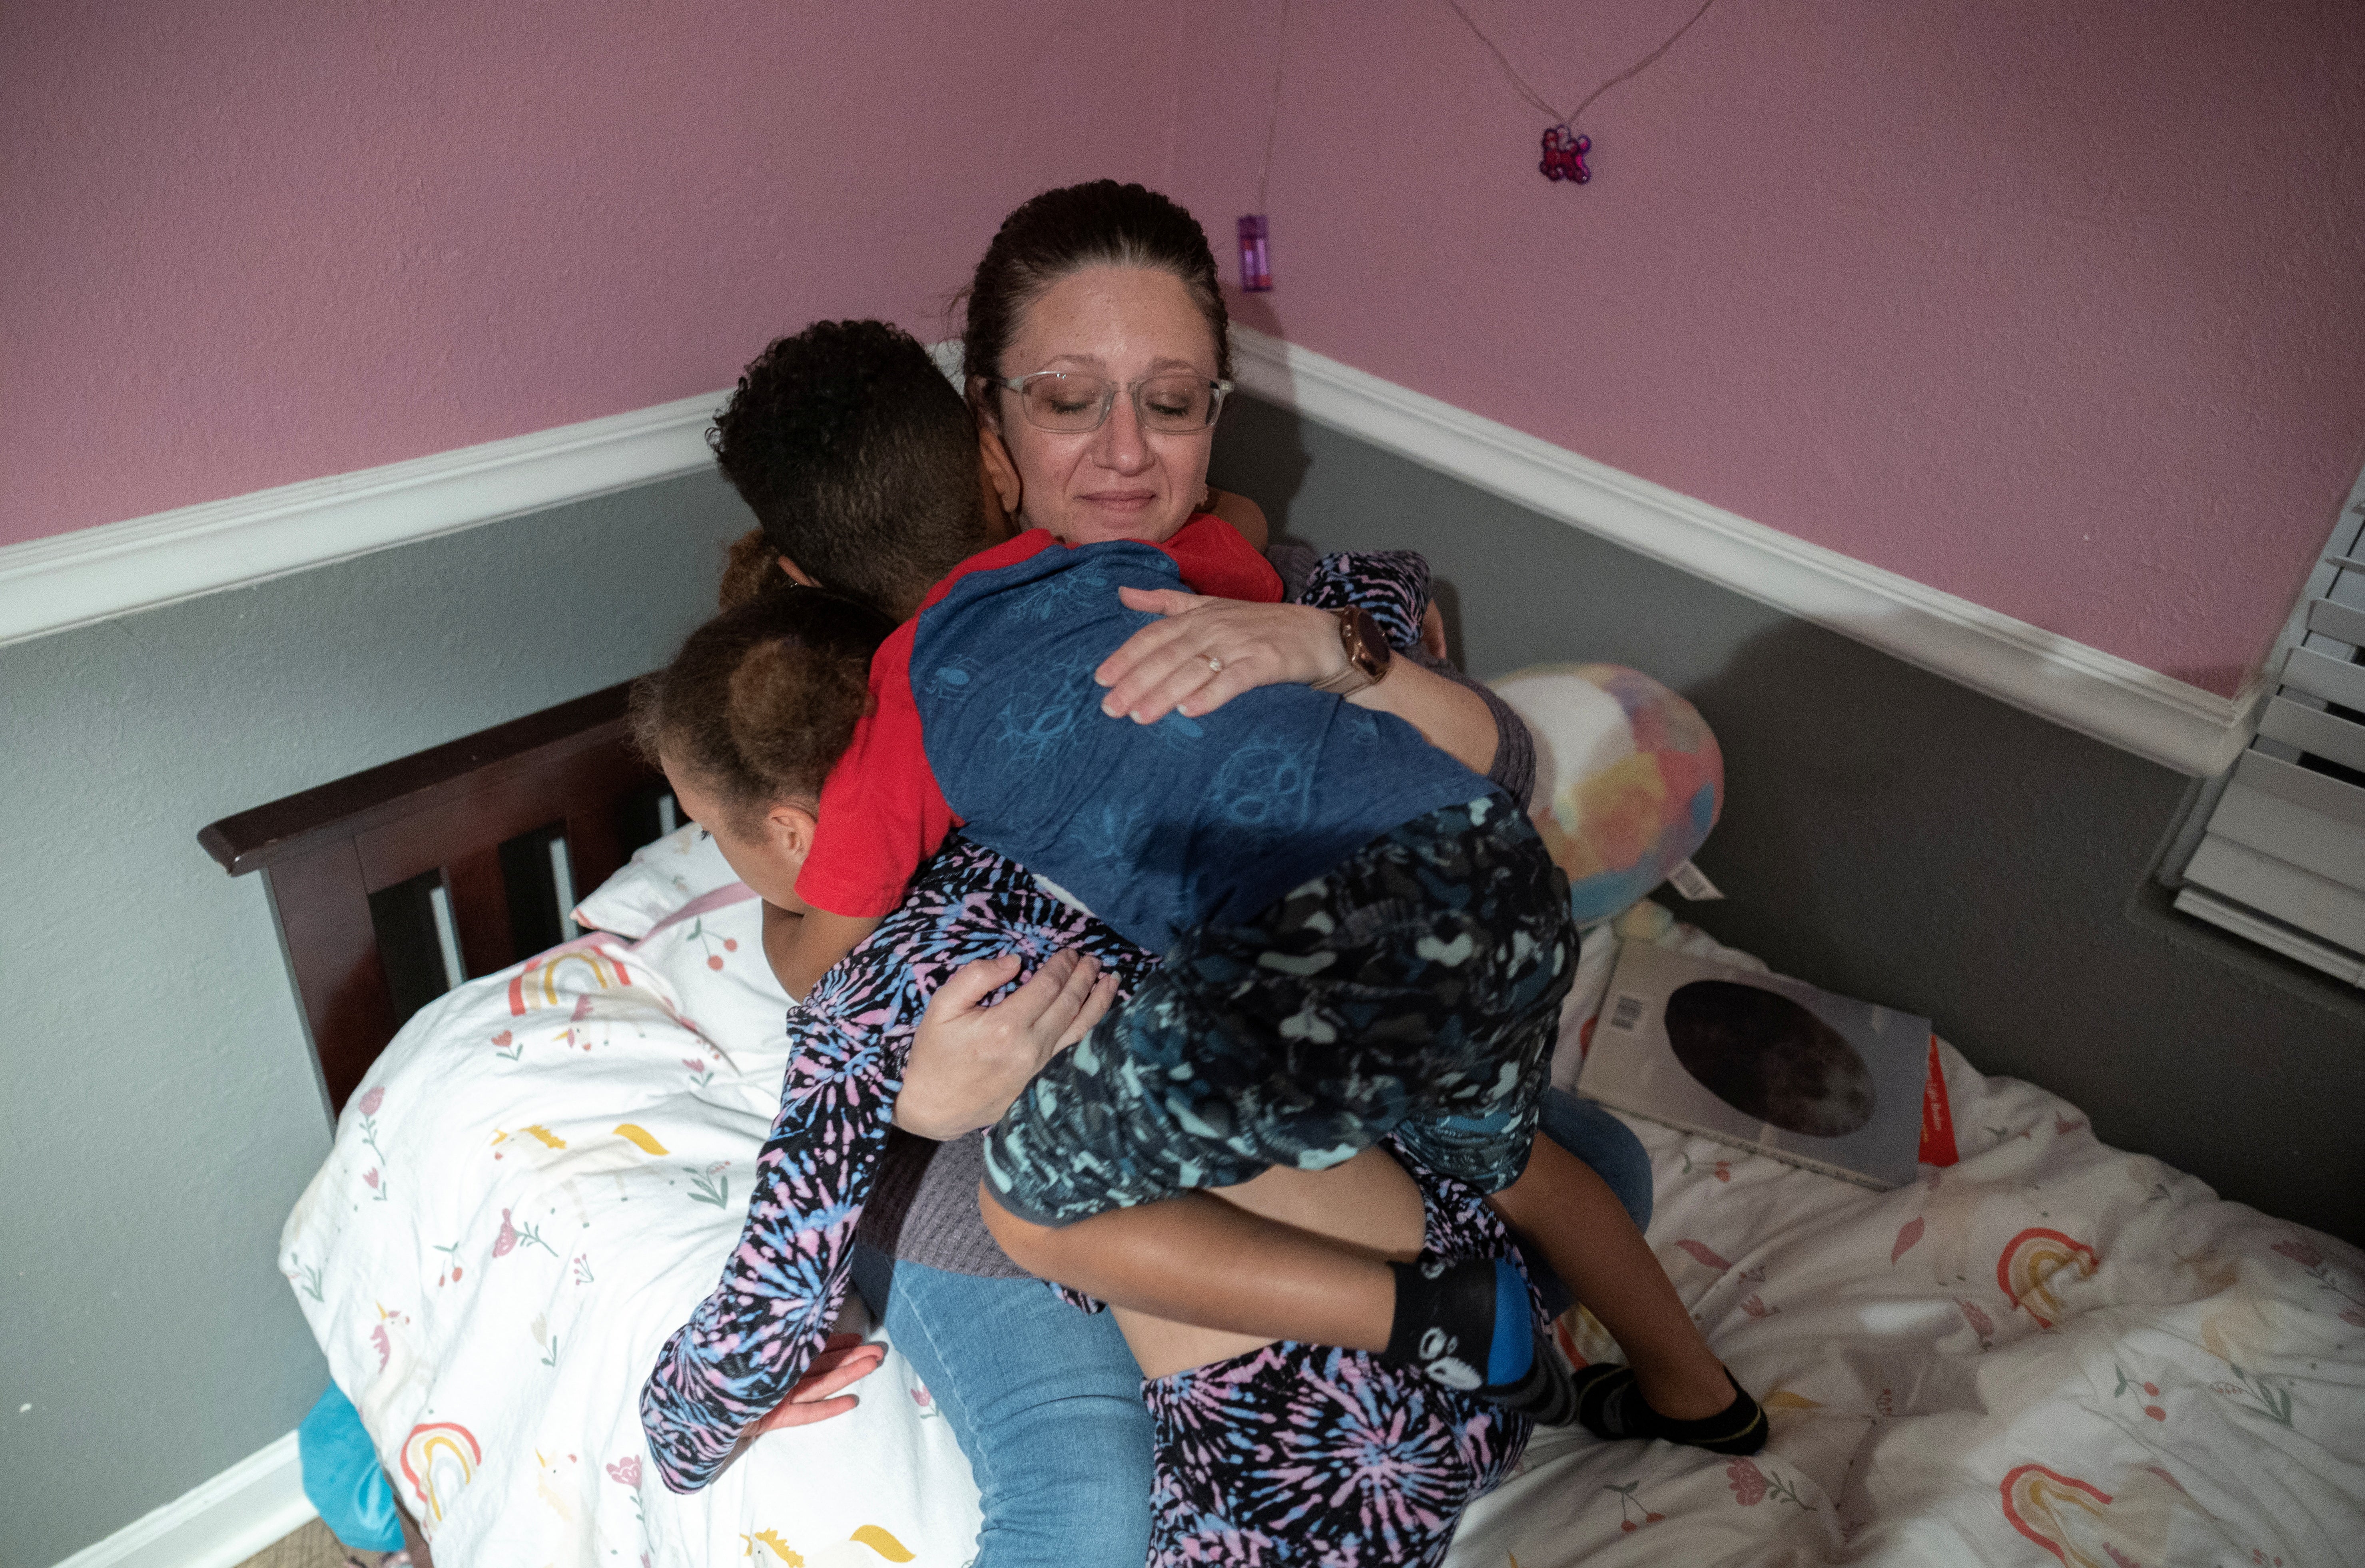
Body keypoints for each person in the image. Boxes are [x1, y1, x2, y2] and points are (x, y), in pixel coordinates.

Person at [742, 185, 1758, 1440]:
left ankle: (1441, 1317)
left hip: (1315, 977)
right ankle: (1694, 1393)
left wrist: (1338, 648)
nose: (1124, 454)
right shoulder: (1141, 571)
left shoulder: (1000, 648)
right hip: (1459, 925)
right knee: (1533, 1164)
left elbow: (819, 941)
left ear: (1214, 412)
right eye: (1070, 399)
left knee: (1044, 1198)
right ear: (987, 424)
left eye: (1170, 404)